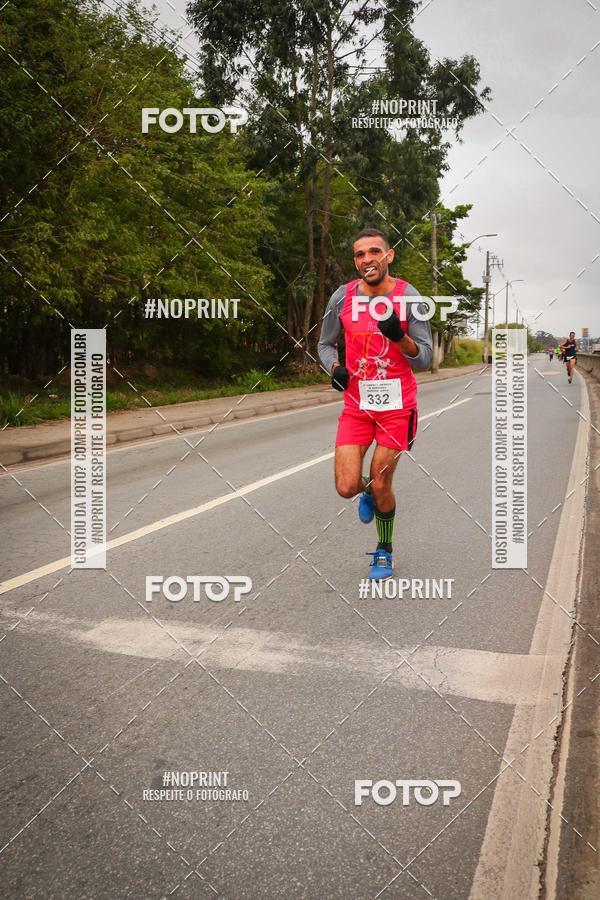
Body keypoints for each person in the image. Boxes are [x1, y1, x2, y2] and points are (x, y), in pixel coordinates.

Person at [318, 227, 433, 580]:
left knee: (382, 483)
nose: (367, 259)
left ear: (389, 256)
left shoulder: (409, 297)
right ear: (355, 261)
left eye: (374, 252)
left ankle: (384, 551)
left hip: (397, 406)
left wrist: (399, 337)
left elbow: (425, 358)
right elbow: (325, 344)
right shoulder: (342, 297)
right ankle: (366, 490)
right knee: (346, 487)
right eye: (359, 254)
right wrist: (334, 368)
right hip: (357, 406)